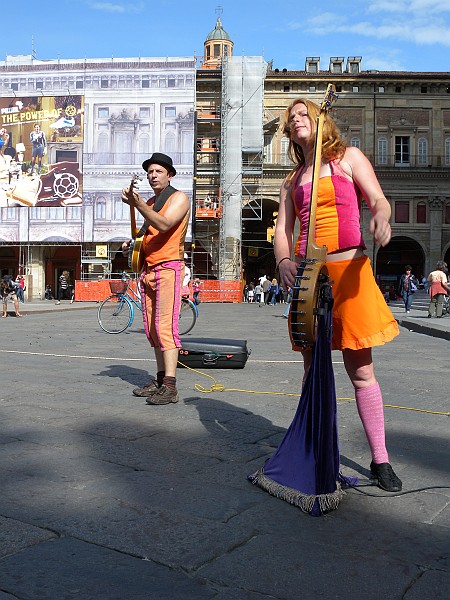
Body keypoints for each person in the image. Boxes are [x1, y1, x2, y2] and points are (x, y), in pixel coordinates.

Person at [274, 96, 402, 492]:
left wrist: (381, 214)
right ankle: (317, 451)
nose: (296, 120)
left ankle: (380, 459)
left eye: (302, 114)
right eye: (290, 118)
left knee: (361, 371)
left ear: (319, 121)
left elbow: (377, 198)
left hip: (350, 272)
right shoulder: (291, 180)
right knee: (313, 373)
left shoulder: (348, 158)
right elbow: (283, 229)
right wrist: (281, 262)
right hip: (310, 277)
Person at [121, 152, 190, 405]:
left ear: (169, 175)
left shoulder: (179, 198)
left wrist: (137, 205)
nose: (153, 175)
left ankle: (170, 386)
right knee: (152, 329)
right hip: (148, 269)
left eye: (158, 171)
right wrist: (134, 245)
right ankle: (161, 380)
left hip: (169, 267)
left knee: (165, 327)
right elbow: (147, 235)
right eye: (150, 172)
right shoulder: (150, 201)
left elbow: (163, 225)